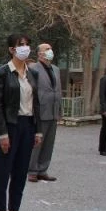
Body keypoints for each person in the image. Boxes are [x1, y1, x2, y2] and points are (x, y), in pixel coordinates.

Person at [0, 33, 42, 211]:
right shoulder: (2, 73)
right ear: (11, 49)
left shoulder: (32, 73)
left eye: (27, 44)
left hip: (28, 125)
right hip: (9, 126)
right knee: (4, 171)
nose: (25, 48)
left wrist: (38, 130)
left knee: (21, 172)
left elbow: (36, 103)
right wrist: (2, 133)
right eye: (21, 45)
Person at [28, 43, 61, 182]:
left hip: (53, 110)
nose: (50, 51)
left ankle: (43, 169)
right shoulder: (33, 68)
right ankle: (32, 170)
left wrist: (59, 110)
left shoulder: (55, 69)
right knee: (37, 142)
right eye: (47, 49)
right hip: (40, 110)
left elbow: (58, 90)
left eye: (50, 48)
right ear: (39, 53)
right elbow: (30, 90)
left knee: (49, 143)